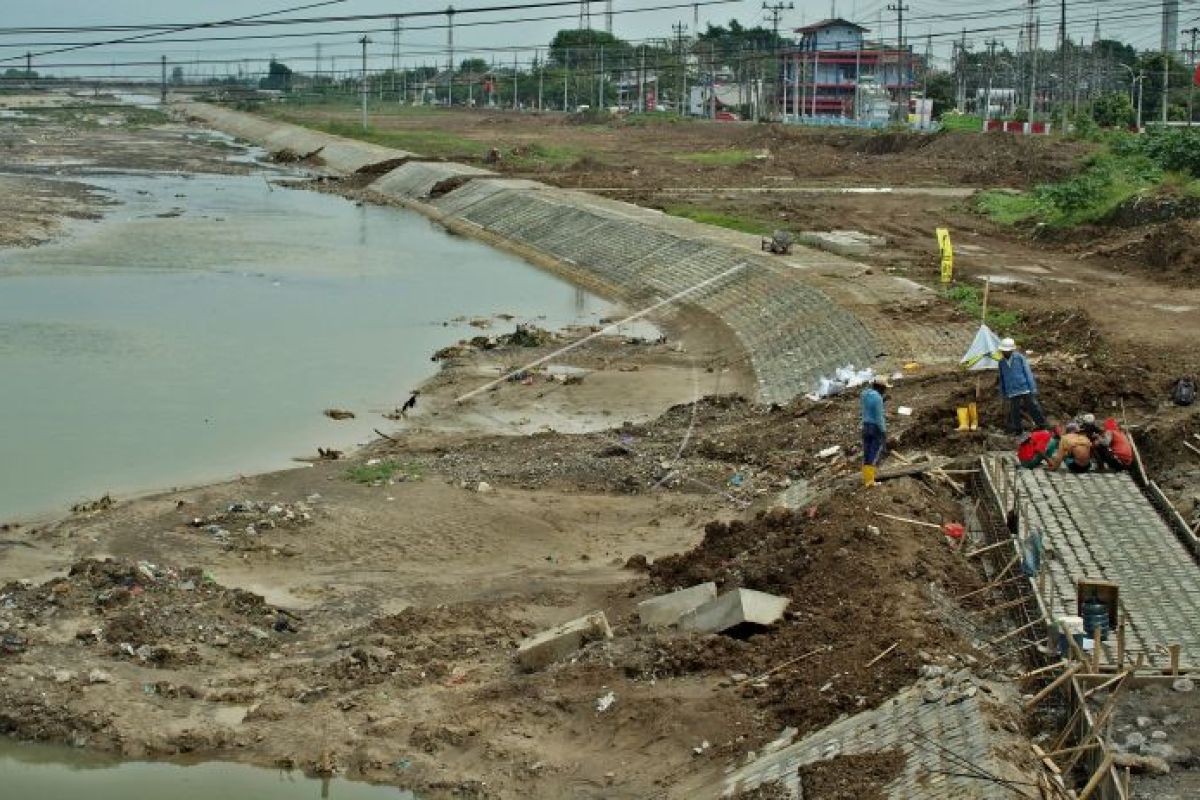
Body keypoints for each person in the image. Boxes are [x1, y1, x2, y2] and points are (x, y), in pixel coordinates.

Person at [997, 337, 1047, 435]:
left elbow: (1027, 372)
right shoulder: (1001, 362)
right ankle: (1018, 429)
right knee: (1014, 410)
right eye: (1003, 351)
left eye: (1006, 351)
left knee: (1033, 406)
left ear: (1012, 350)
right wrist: (1003, 392)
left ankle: (1041, 425)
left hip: (1024, 387)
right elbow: (1002, 378)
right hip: (1011, 389)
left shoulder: (1019, 358)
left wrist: (1032, 387)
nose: (1004, 353)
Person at [861, 376, 889, 486]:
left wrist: (883, 400)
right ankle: (870, 481)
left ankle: (867, 479)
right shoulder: (878, 398)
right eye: (884, 388)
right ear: (881, 387)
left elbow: (869, 406)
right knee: (874, 452)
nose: (885, 390)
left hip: (865, 426)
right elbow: (879, 417)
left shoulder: (864, 394)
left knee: (867, 453)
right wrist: (883, 431)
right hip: (875, 428)